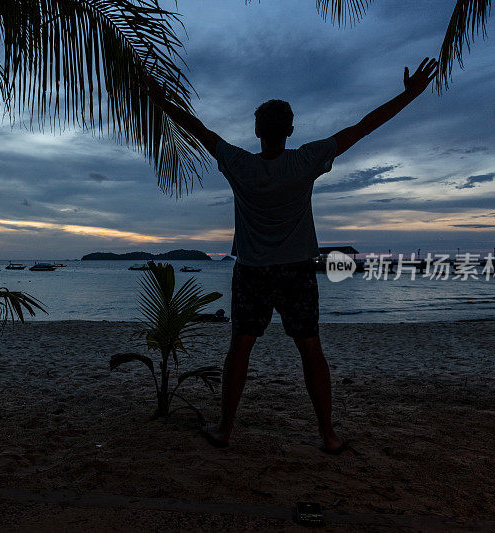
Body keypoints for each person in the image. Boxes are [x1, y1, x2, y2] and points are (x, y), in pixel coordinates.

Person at [143, 57, 439, 453]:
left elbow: (198, 129)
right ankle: (328, 435)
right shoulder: (304, 160)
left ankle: (226, 429)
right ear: (291, 132)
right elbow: (360, 129)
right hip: (298, 270)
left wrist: (162, 100)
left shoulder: (239, 164)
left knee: (241, 348)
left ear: (256, 131)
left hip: (252, 271)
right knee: (310, 348)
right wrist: (409, 95)